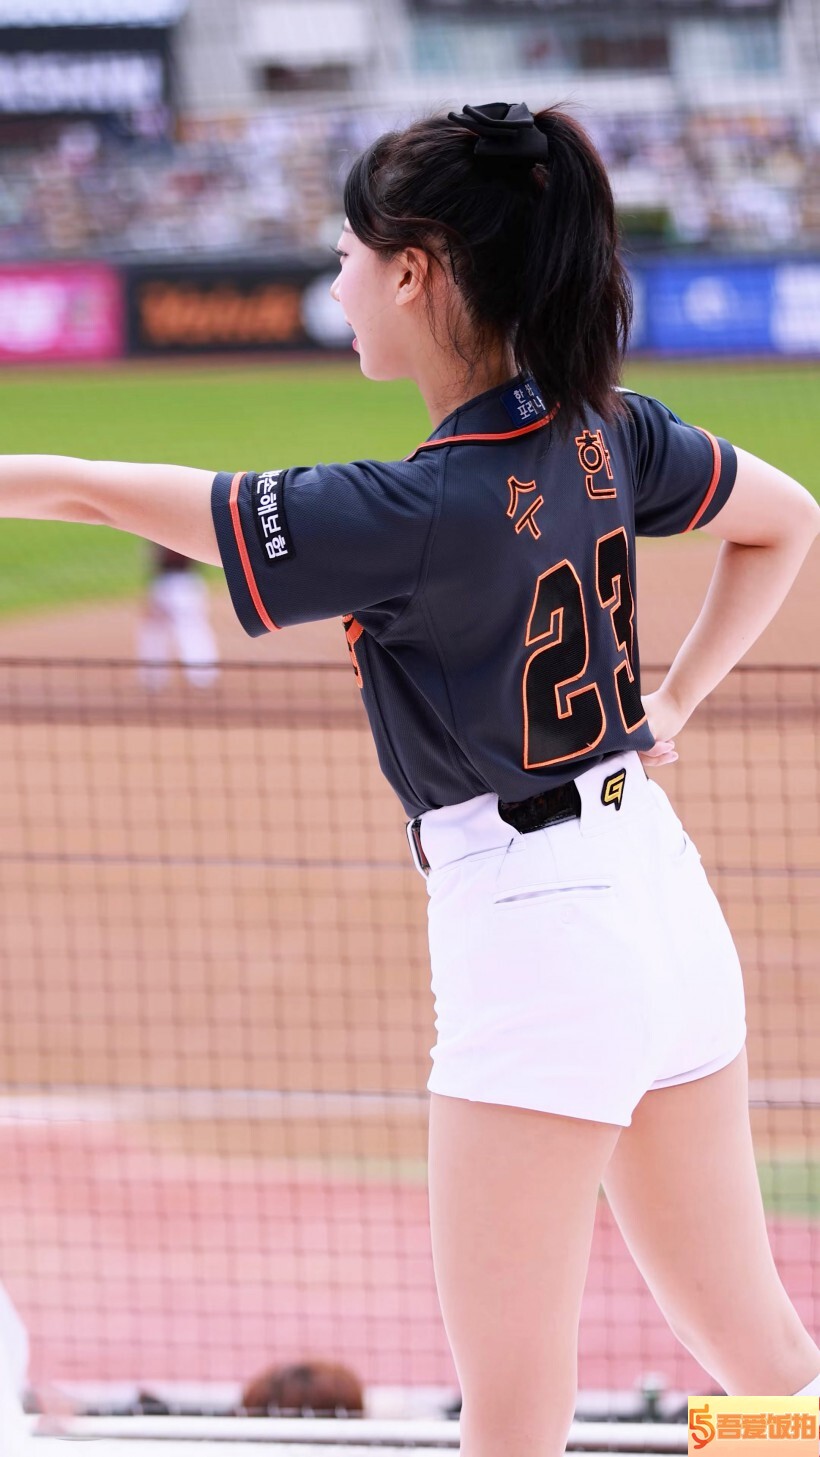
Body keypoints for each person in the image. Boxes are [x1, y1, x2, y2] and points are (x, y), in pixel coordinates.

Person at [1, 103, 818, 1457]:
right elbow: (787, 520)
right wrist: (667, 700)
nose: (336, 284)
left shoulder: (411, 509)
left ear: (416, 271)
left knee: (512, 1416)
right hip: (663, 895)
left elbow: (94, 493)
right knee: (766, 1360)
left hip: (538, 937)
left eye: (347, 256)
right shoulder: (608, 430)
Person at [136, 543, 219, 690]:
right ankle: (201, 674)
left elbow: (160, 558)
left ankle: (201, 674)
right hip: (176, 582)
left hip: (181, 583)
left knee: (188, 629)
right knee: (161, 629)